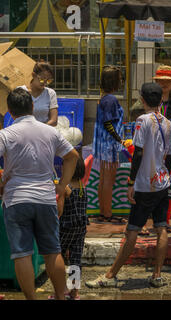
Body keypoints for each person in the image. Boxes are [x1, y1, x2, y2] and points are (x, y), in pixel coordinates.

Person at [86, 83, 171, 289]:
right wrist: (167, 178)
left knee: (132, 231)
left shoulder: (142, 121)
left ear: (142, 99)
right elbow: (168, 157)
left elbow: (139, 153)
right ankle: (157, 275)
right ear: (161, 100)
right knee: (161, 228)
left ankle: (110, 275)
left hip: (145, 185)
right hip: (162, 182)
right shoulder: (168, 123)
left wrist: (131, 182)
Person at [0, 88, 78, 300]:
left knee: (21, 253)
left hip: (16, 200)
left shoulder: (6, 134)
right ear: (32, 107)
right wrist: (61, 187)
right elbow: (73, 156)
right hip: (45, 199)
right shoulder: (50, 132)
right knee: (53, 251)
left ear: (10, 111)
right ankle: (61, 296)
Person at [131, 65, 171, 234]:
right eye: (162, 80)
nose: (165, 83)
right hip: (146, 146)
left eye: (168, 81)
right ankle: (143, 224)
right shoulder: (144, 100)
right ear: (157, 81)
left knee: (165, 187)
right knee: (143, 184)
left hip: (167, 148)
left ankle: (162, 222)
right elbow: (134, 115)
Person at [93, 66, 129, 224]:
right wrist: (119, 139)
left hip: (102, 144)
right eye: (120, 78)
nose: (121, 81)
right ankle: (107, 213)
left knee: (103, 179)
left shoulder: (104, 98)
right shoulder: (111, 100)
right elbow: (109, 123)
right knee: (108, 180)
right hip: (110, 145)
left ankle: (103, 212)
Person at [56, 155, 88, 300]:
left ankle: (61, 291)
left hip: (66, 228)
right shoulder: (83, 188)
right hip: (80, 228)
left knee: (58, 257)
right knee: (76, 259)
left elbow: (59, 211)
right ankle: (74, 293)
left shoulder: (66, 189)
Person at [18, 61, 58, 126]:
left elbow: (54, 121)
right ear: (33, 75)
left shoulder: (50, 93)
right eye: (42, 79)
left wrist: (38, 129)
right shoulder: (20, 91)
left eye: (48, 80)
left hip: (44, 131)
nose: (45, 83)